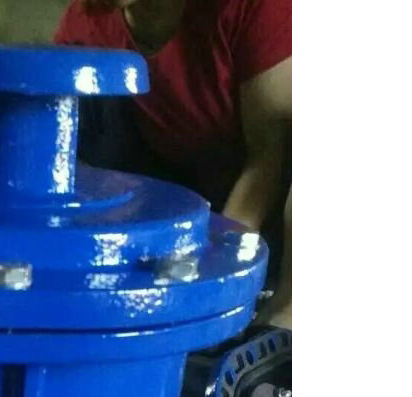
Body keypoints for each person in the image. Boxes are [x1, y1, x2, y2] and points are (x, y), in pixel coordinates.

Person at [55, 0, 291, 327]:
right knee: (71, 87)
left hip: (265, 207)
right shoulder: (88, 17)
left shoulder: (252, 8)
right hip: (180, 186)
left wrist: (214, 275)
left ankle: (286, 316)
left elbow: (267, 160)